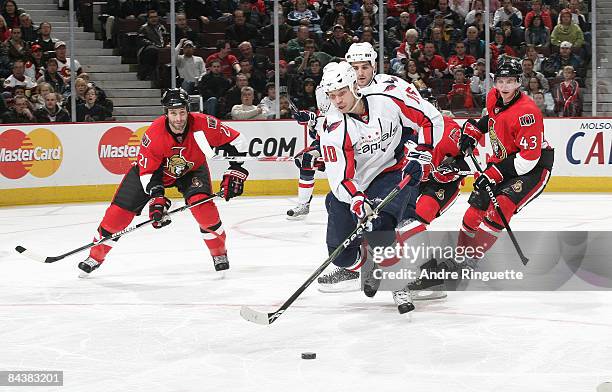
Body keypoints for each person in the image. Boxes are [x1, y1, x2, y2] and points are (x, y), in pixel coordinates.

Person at [78, 88, 250, 277]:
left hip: (190, 170)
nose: (178, 119)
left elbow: (238, 141)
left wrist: (235, 170)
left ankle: (219, 253)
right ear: (166, 113)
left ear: (188, 110)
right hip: (151, 174)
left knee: (204, 210)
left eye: (182, 112)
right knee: (116, 217)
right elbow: (149, 173)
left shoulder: (204, 123)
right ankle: (95, 256)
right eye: (173, 113)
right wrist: (158, 199)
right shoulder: (154, 135)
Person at [315, 61, 431, 313]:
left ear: (354, 86)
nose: (338, 101)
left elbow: (423, 121)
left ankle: (397, 281)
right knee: (341, 255)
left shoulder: (384, 100)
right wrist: (357, 200)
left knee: (381, 226)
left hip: (388, 173)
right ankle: (368, 263)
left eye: (341, 92)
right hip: (352, 188)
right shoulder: (333, 127)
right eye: (332, 96)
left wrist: (420, 152)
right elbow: (340, 179)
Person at [452, 56, 554, 272]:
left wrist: (495, 173)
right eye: (500, 81)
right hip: (504, 161)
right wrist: (473, 132)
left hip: (533, 168)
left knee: (502, 205)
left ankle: (473, 258)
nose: (504, 86)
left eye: (510, 81)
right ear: (495, 82)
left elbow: (528, 159)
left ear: (518, 83)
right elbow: (488, 119)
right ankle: (459, 255)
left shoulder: (528, 112)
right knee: (475, 208)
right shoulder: (493, 96)